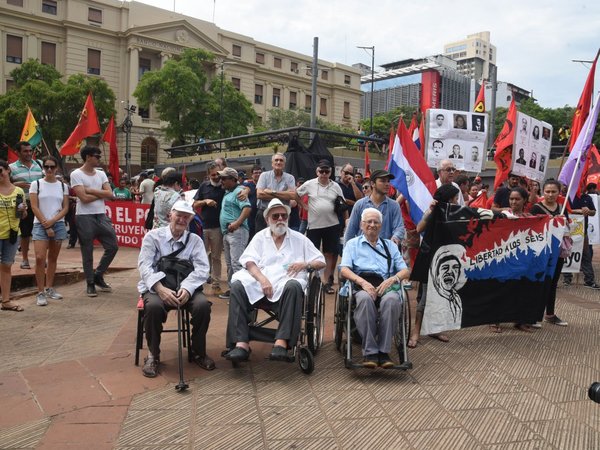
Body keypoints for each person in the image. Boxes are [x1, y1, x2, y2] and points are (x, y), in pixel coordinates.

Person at [224, 198, 325, 362]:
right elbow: (249, 261)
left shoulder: (299, 239)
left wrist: (305, 264)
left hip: (286, 284)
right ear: (267, 219)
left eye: (283, 216)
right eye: (275, 216)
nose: (280, 219)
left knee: (294, 285)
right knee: (237, 285)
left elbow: (321, 261)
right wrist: (262, 279)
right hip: (261, 283)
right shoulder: (259, 237)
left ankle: (282, 342)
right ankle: (241, 343)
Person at [137, 200, 214, 377]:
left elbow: (203, 268)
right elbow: (144, 266)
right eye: (179, 215)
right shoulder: (153, 237)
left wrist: (187, 289)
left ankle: (198, 352)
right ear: (170, 215)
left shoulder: (194, 240)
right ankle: (153, 355)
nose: (182, 219)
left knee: (203, 306)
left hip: (187, 286)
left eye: (186, 217)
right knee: (154, 306)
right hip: (157, 286)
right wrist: (160, 288)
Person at [340, 208, 410, 368]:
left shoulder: (390, 246)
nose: (372, 225)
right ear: (361, 225)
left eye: (376, 222)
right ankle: (370, 352)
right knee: (364, 300)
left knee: (392, 301)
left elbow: (405, 270)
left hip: (384, 284)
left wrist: (393, 279)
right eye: (368, 222)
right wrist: (363, 283)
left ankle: (384, 352)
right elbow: (344, 269)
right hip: (361, 284)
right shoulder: (352, 244)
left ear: (381, 225)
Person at [408, 184, 461, 348]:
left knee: (443, 295)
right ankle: (415, 331)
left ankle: (435, 329)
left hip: (446, 260)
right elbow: (419, 228)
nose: (458, 201)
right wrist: (431, 211)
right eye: (455, 198)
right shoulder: (433, 211)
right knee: (424, 297)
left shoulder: (457, 214)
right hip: (430, 258)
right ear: (449, 199)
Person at [70, 146, 119, 297]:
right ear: (87, 157)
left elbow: (110, 194)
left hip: (101, 215)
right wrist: (102, 194)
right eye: (96, 156)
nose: (99, 158)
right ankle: (90, 282)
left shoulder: (101, 174)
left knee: (113, 246)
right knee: (87, 250)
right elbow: (83, 199)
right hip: (84, 216)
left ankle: (98, 274)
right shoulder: (76, 174)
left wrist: (90, 190)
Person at [296, 159, 346, 294]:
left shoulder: (335, 186)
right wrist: (303, 205)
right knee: (313, 253)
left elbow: (343, 203)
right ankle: (312, 280)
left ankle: (325, 282)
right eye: (321, 171)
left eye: (326, 171)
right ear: (316, 172)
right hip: (314, 225)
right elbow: (296, 194)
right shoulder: (309, 184)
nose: (324, 174)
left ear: (330, 172)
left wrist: (345, 220)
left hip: (332, 224)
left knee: (329, 253)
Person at [29, 156, 69, 306]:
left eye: (52, 167)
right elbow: (34, 206)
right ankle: (40, 291)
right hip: (40, 223)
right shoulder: (36, 184)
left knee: (53, 257)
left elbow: (65, 207)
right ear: (43, 168)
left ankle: (49, 287)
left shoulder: (63, 186)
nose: (49, 170)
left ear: (57, 168)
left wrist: (53, 221)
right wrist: (46, 224)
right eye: (46, 167)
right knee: (40, 257)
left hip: (57, 223)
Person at [530, 179, 568, 327]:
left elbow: (567, 228)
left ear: (559, 193)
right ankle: (533, 315)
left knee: (552, 283)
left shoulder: (562, 207)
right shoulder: (536, 208)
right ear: (543, 192)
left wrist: (563, 221)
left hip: (557, 252)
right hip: (540, 252)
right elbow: (530, 229)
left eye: (554, 192)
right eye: (547, 191)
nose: (550, 194)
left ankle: (550, 314)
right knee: (538, 282)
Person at [344, 169, 405, 249]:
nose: (387, 184)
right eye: (383, 181)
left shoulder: (394, 205)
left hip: (385, 252)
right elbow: (350, 231)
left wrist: (395, 238)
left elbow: (399, 227)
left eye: (388, 181)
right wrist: (347, 254)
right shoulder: (360, 204)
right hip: (363, 252)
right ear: (372, 184)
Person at [9, 141, 44, 270]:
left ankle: (40, 258)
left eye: (30, 151)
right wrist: (17, 185)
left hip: (39, 203)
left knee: (40, 231)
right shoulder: (11, 168)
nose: (29, 153)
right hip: (22, 203)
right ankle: (24, 259)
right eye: (25, 151)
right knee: (25, 233)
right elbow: (6, 185)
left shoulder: (39, 165)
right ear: (18, 152)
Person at [218, 167, 251, 300]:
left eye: (224, 178)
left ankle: (241, 293)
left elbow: (247, 208)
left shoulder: (238, 191)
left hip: (237, 231)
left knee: (237, 263)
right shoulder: (229, 192)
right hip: (228, 232)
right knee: (231, 264)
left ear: (232, 179)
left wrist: (237, 223)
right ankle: (233, 289)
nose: (221, 180)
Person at [0, 159, 26, 312]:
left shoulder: (19, 191)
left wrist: (23, 211)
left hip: (13, 234)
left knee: (6, 266)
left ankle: (6, 300)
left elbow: (22, 215)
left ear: (7, 170)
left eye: (0, 171)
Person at [563, 183, 599, 289]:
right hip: (568, 231)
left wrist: (589, 211)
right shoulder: (568, 197)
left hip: (583, 232)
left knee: (586, 255)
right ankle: (567, 278)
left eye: (582, 185)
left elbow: (593, 212)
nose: (580, 187)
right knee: (566, 253)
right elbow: (564, 211)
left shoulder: (587, 198)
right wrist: (578, 211)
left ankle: (589, 280)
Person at [255, 153, 296, 233]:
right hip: (264, 213)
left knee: (282, 239)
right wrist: (285, 194)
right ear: (272, 163)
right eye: (276, 160)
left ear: (284, 164)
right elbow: (259, 194)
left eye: (281, 160)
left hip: (282, 215)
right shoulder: (264, 175)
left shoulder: (290, 178)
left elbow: (292, 195)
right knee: (262, 240)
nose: (278, 162)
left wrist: (271, 192)